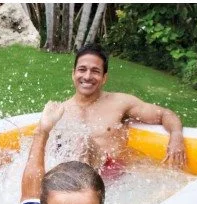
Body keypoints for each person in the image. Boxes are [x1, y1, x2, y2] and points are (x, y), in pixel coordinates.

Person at [55, 44, 187, 174]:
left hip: (112, 173)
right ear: (73, 74)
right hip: (73, 177)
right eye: (82, 69)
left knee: (82, 142)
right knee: (79, 143)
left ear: (104, 78)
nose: (87, 76)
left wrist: (176, 136)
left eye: (95, 71)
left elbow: (165, 114)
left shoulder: (120, 103)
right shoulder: (60, 112)